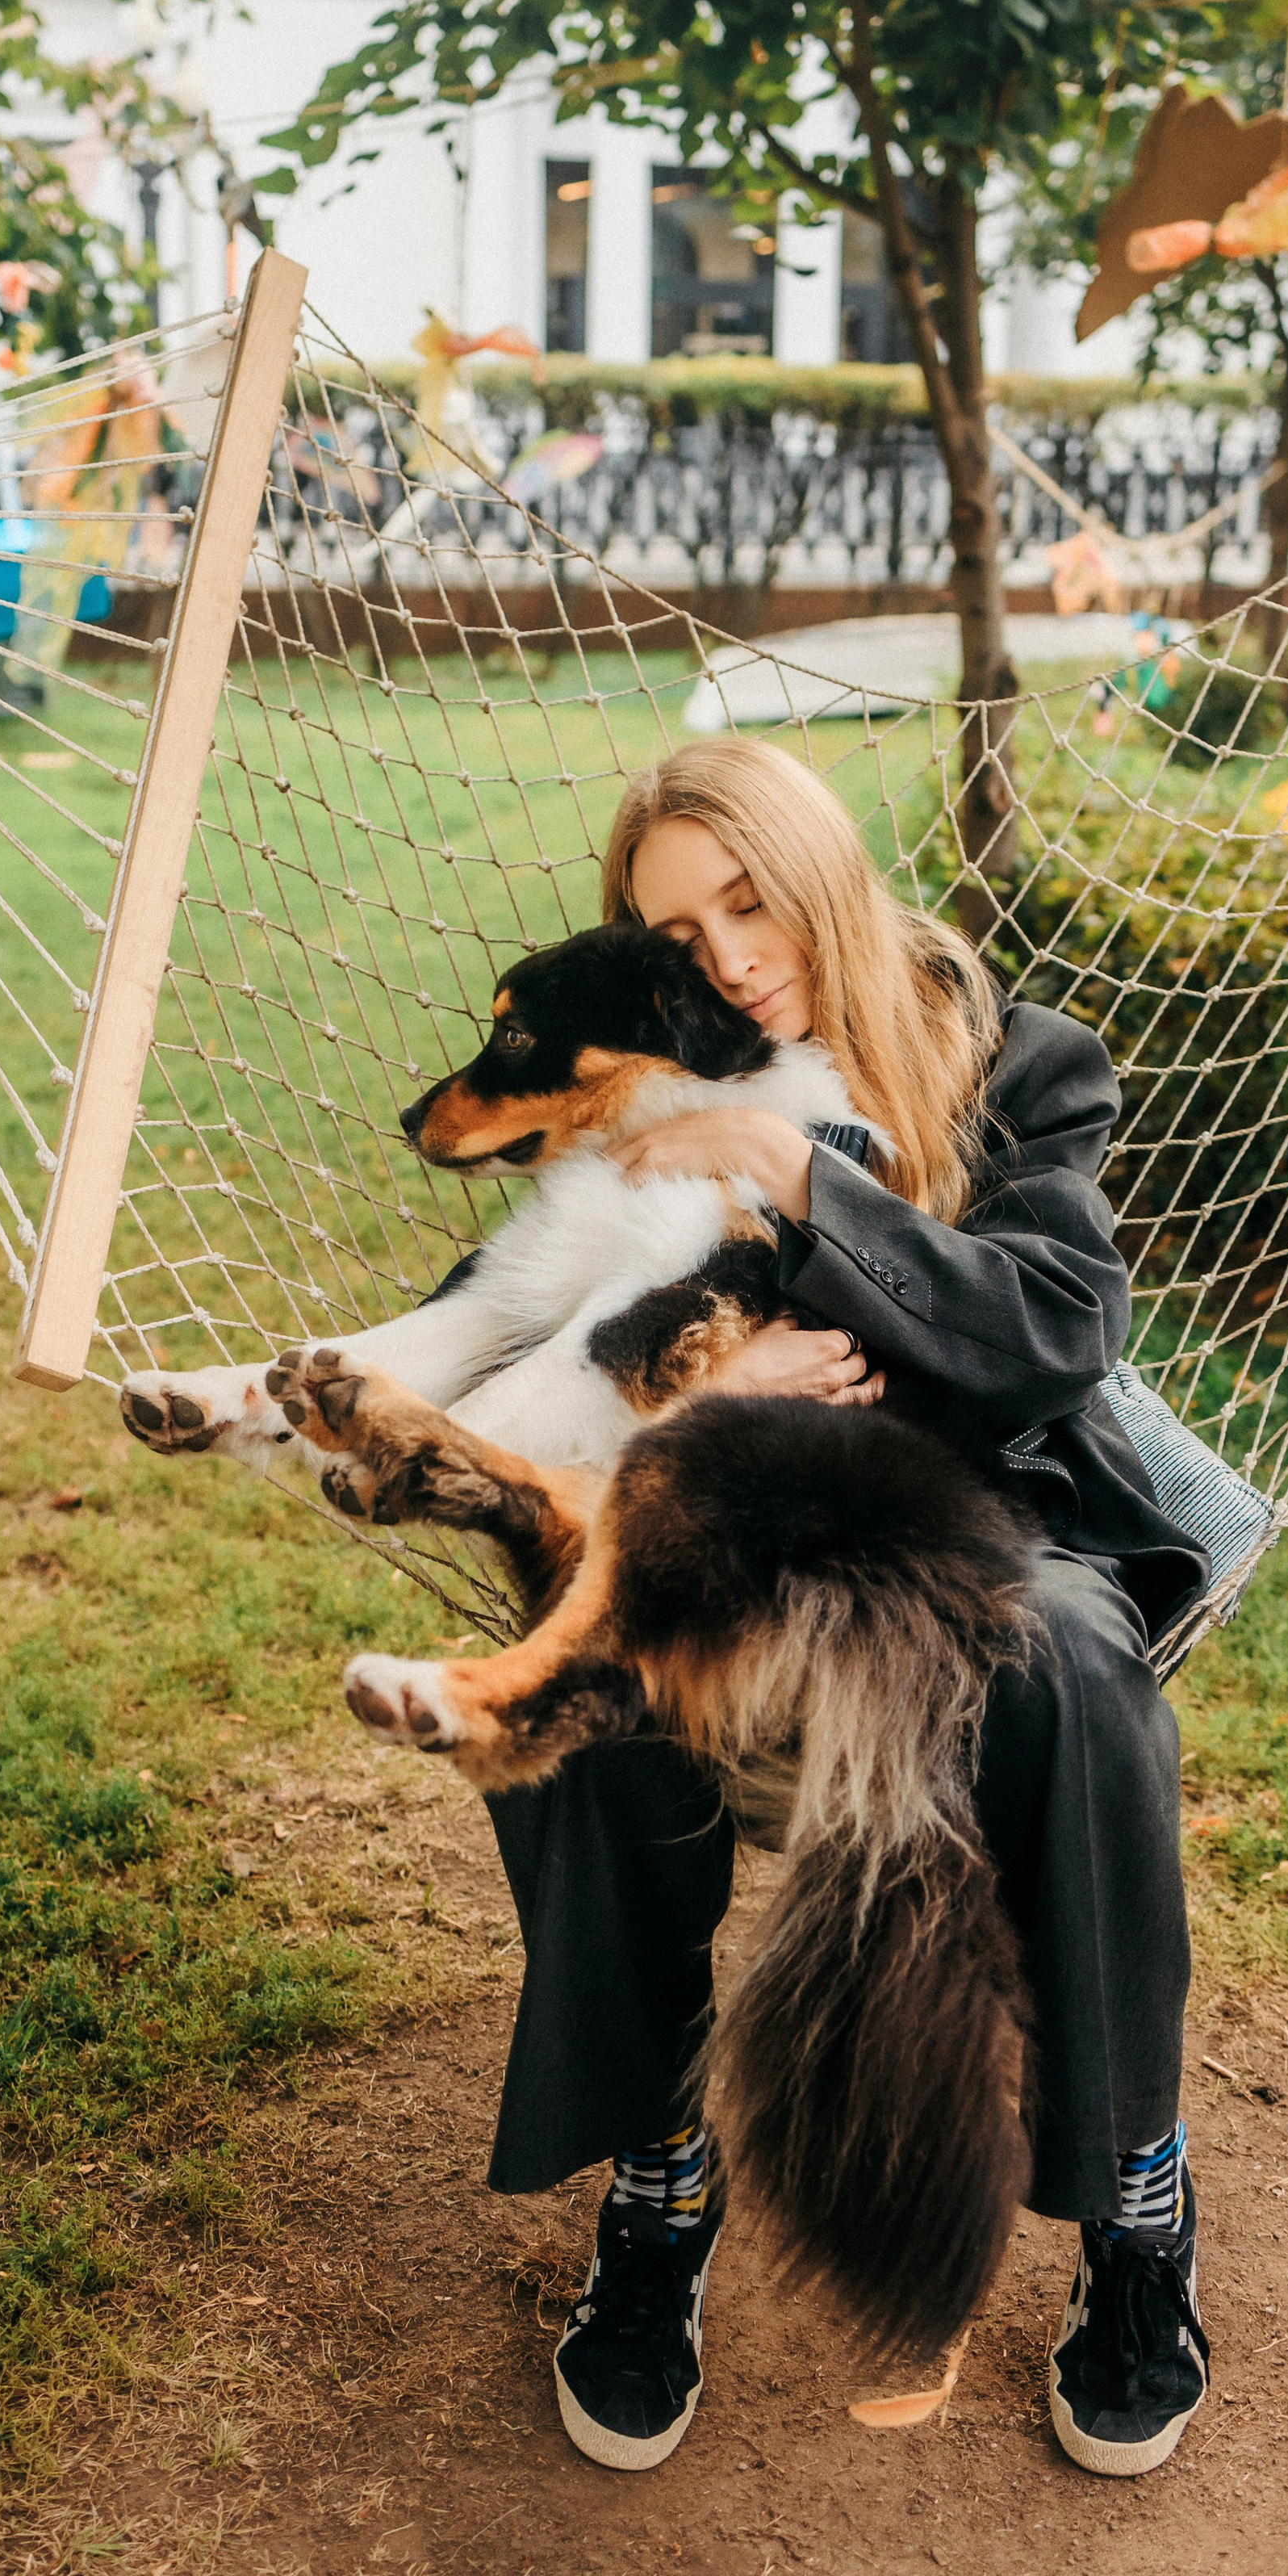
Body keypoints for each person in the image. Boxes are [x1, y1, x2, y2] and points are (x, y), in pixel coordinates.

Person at [483, 734, 1212, 2480]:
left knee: (1076, 1665)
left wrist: (809, 1178)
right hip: (734, 1536)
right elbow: (518, 1306)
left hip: (972, 1531)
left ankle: (1131, 2185)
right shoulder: (651, 1083)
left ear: (820, 870)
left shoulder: (1022, 1063)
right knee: (587, 1672)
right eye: (681, 928)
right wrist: (681, 1383)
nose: (727, 956)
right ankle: (662, 2165)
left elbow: (1051, 1324)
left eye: (748, 900)